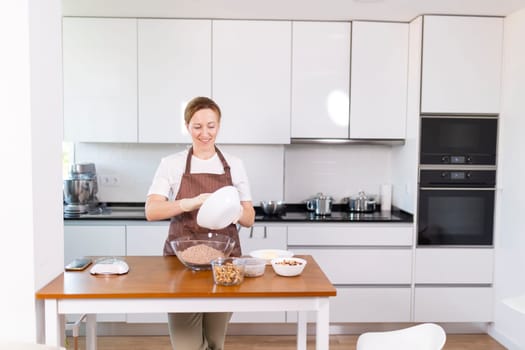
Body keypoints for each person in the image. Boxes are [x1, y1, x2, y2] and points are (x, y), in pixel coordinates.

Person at [145, 96, 255, 350]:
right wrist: (190, 202)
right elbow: (151, 210)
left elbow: (249, 218)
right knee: (187, 346)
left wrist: (228, 207)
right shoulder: (171, 164)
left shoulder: (234, 165)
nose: (204, 133)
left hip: (225, 264)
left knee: (216, 341)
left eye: (211, 126)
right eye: (197, 126)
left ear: (219, 126)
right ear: (187, 127)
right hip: (181, 264)